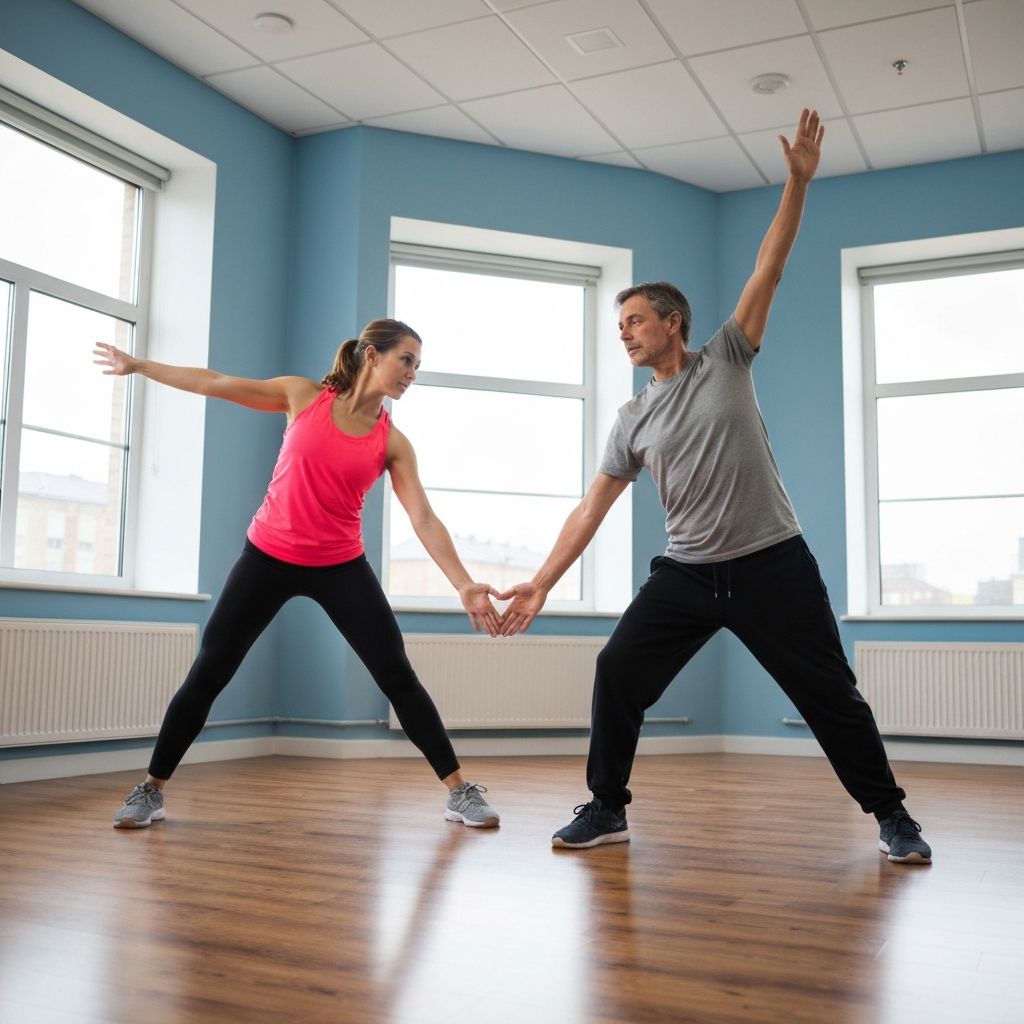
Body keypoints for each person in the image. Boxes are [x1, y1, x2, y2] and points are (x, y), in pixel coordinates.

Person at [497, 110, 931, 863]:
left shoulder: (725, 356)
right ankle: (607, 807)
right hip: (689, 573)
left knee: (829, 692)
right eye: (620, 324)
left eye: (635, 320)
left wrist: (795, 184)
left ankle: (893, 816)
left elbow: (771, 264)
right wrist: (538, 583)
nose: (625, 332)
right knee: (617, 670)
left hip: (772, 561)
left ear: (674, 323)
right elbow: (590, 509)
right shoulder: (631, 418)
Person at [96, 319, 501, 830]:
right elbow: (216, 382)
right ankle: (150, 790)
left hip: (340, 564)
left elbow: (423, 517)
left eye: (417, 365)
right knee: (211, 669)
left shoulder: (391, 442)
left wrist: (463, 582)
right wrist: (140, 366)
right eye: (406, 359)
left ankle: (459, 792)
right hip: (268, 554)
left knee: (397, 674)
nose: (412, 373)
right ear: (372, 355)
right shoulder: (302, 396)